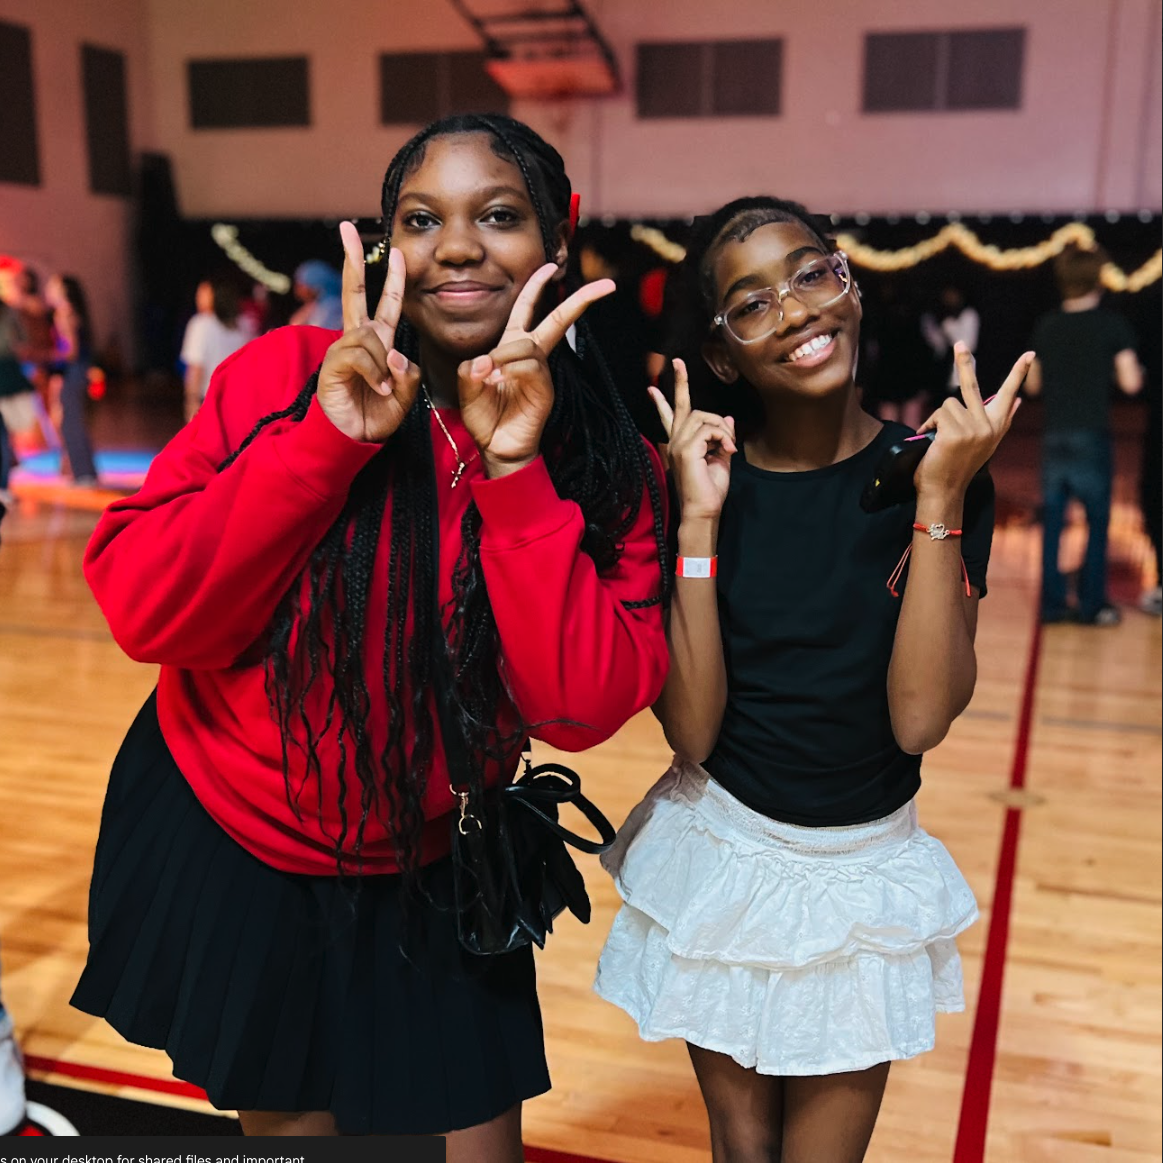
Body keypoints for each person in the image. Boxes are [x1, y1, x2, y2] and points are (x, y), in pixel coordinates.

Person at [71, 114, 669, 1154]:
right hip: (241, 835)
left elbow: (579, 708)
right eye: (422, 219)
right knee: (301, 1127)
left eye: (498, 215)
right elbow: (146, 605)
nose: (457, 246)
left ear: (557, 236)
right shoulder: (286, 376)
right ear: (390, 242)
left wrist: (515, 475)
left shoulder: (602, 452)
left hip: (439, 855)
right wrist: (324, 442)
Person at [594, 196, 1030, 1163]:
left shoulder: (941, 469)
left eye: (808, 274)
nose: (793, 309)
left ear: (850, 284)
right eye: (752, 303)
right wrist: (696, 522)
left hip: (862, 870)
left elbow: (918, 717)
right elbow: (692, 730)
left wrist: (939, 495)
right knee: (741, 1150)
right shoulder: (697, 483)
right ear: (721, 355)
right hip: (725, 849)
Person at [1025, 243, 1142, 625]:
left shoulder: (1047, 325)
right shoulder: (1111, 325)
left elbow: (1033, 385)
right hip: (1091, 435)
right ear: (1098, 279)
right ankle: (1092, 605)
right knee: (1096, 523)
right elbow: (1131, 382)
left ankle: (1052, 605)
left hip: (1054, 436)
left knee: (1053, 525)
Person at [44, 275, 100, 486]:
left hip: (73, 371)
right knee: (74, 421)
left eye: (53, 286)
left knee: (71, 423)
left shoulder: (64, 312)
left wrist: (44, 356)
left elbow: (71, 350)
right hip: (80, 370)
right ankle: (85, 472)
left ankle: (83, 474)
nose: (48, 289)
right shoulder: (73, 311)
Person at [180, 276, 255, 422]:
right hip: (242, 403)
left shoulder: (200, 324)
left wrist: (191, 403)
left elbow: (196, 369)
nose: (197, 298)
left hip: (210, 403)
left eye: (203, 293)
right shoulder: (245, 325)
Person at [923, 284, 981, 398]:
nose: (950, 299)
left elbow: (970, 344)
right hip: (945, 368)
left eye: (952, 295)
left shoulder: (969, 314)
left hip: (965, 367)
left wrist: (948, 327)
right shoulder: (938, 316)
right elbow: (937, 345)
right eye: (946, 296)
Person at [289, 258, 344, 329]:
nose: (298, 290)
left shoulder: (333, 306)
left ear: (316, 285)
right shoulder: (315, 305)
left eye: (301, 285)